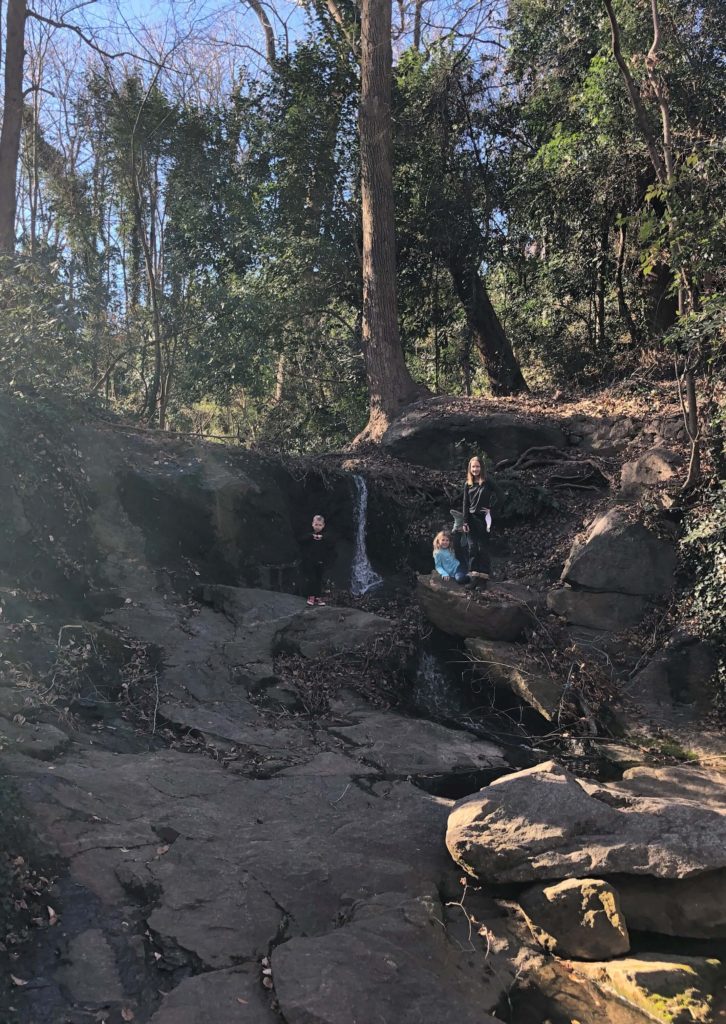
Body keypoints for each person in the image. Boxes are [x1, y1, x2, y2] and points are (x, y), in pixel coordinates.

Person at [461, 455, 495, 578]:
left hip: (484, 520)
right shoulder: (467, 484)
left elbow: (501, 495)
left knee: (482, 549)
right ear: (470, 468)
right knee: (472, 548)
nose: (475, 469)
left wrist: (492, 509)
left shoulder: (487, 481)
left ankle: (484, 577)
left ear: (481, 467)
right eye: (473, 467)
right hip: (470, 520)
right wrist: (464, 522)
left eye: (477, 466)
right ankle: (474, 576)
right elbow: (465, 503)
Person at [299, 514, 334, 606]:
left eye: (319, 525)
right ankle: (311, 596)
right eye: (316, 524)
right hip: (310, 561)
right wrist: (312, 536)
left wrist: (322, 537)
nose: (317, 527)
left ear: (323, 525)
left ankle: (318, 597)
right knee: (311, 579)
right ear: (312, 524)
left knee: (319, 579)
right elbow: (301, 539)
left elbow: (331, 541)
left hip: (321, 561)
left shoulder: (326, 535)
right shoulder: (309, 533)